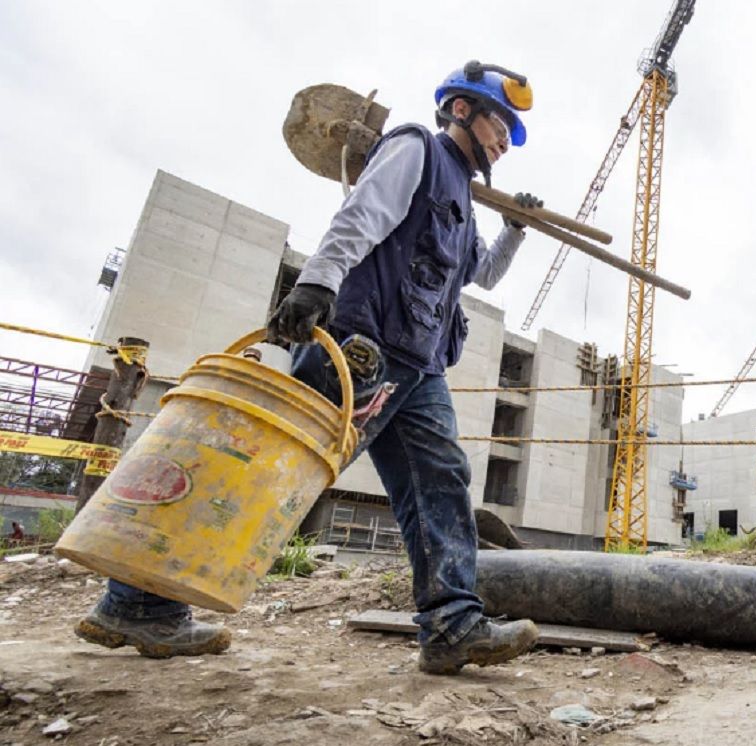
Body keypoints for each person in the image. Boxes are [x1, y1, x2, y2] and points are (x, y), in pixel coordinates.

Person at [75, 61, 542, 675]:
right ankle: (137, 601)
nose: (505, 140)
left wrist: (515, 229)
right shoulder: (415, 150)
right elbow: (362, 216)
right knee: (272, 469)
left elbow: (480, 274)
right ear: (461, 109)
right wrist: (318, 282)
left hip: (418, 367)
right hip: (361, 348)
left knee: (441, 482)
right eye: (499, 122)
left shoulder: (464, 197)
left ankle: (452, 624)